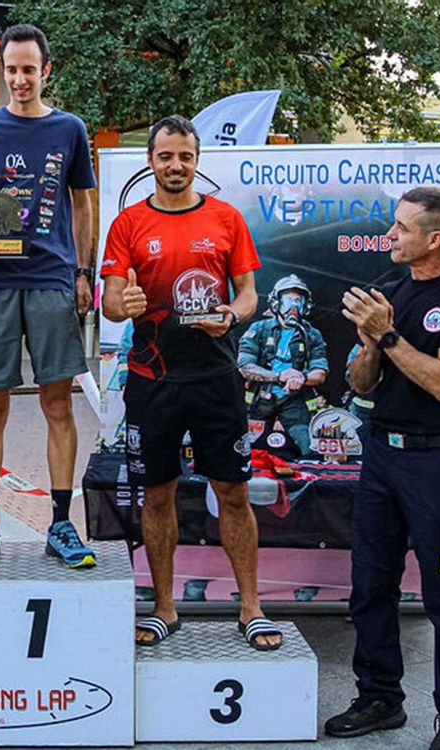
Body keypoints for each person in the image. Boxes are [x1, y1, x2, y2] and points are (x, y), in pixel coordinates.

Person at [100, 115, 281, 650]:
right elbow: (112, 300)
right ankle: (164, 607)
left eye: (185, 156)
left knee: (233, 491)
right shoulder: (129, 223)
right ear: (151, 162)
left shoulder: (226, 218)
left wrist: (232, 315)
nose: (175, 166)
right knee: (156, 496)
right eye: (165, 157)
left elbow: (249, 292)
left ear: (198, 161)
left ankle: (251, 607)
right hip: (152, 379)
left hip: (216, 379)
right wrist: (123, 302)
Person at [329, 187, 440, 750]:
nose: (390, 235)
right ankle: (380, 697)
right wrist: (370, 346)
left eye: (401, 228)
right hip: (382, 456)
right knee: (370, 587)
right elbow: (360, 384)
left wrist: (388, 335)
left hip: (438, 464)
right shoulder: (391, 291)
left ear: (434, 238)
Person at [0, 23, 98, 569]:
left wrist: (84, 272)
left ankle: (61, 525)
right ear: (3, 70)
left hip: (53, 280)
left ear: (45, 70)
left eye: (29, 69)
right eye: (11, 69)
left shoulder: (70, 129)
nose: (20, 78)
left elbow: (82, 204)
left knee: (59, 404)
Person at [238, 274, 329, 456]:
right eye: (288, 301)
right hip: (258, 401)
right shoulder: (259, 329)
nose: (294, 307)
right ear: (276, 302)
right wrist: (279, 376)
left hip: (293, 400)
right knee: (242, 450)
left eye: (299, 302)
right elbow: (244, 366)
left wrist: (301, 377)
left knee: (310, 448)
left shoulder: (312, 334)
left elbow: (320, 373)